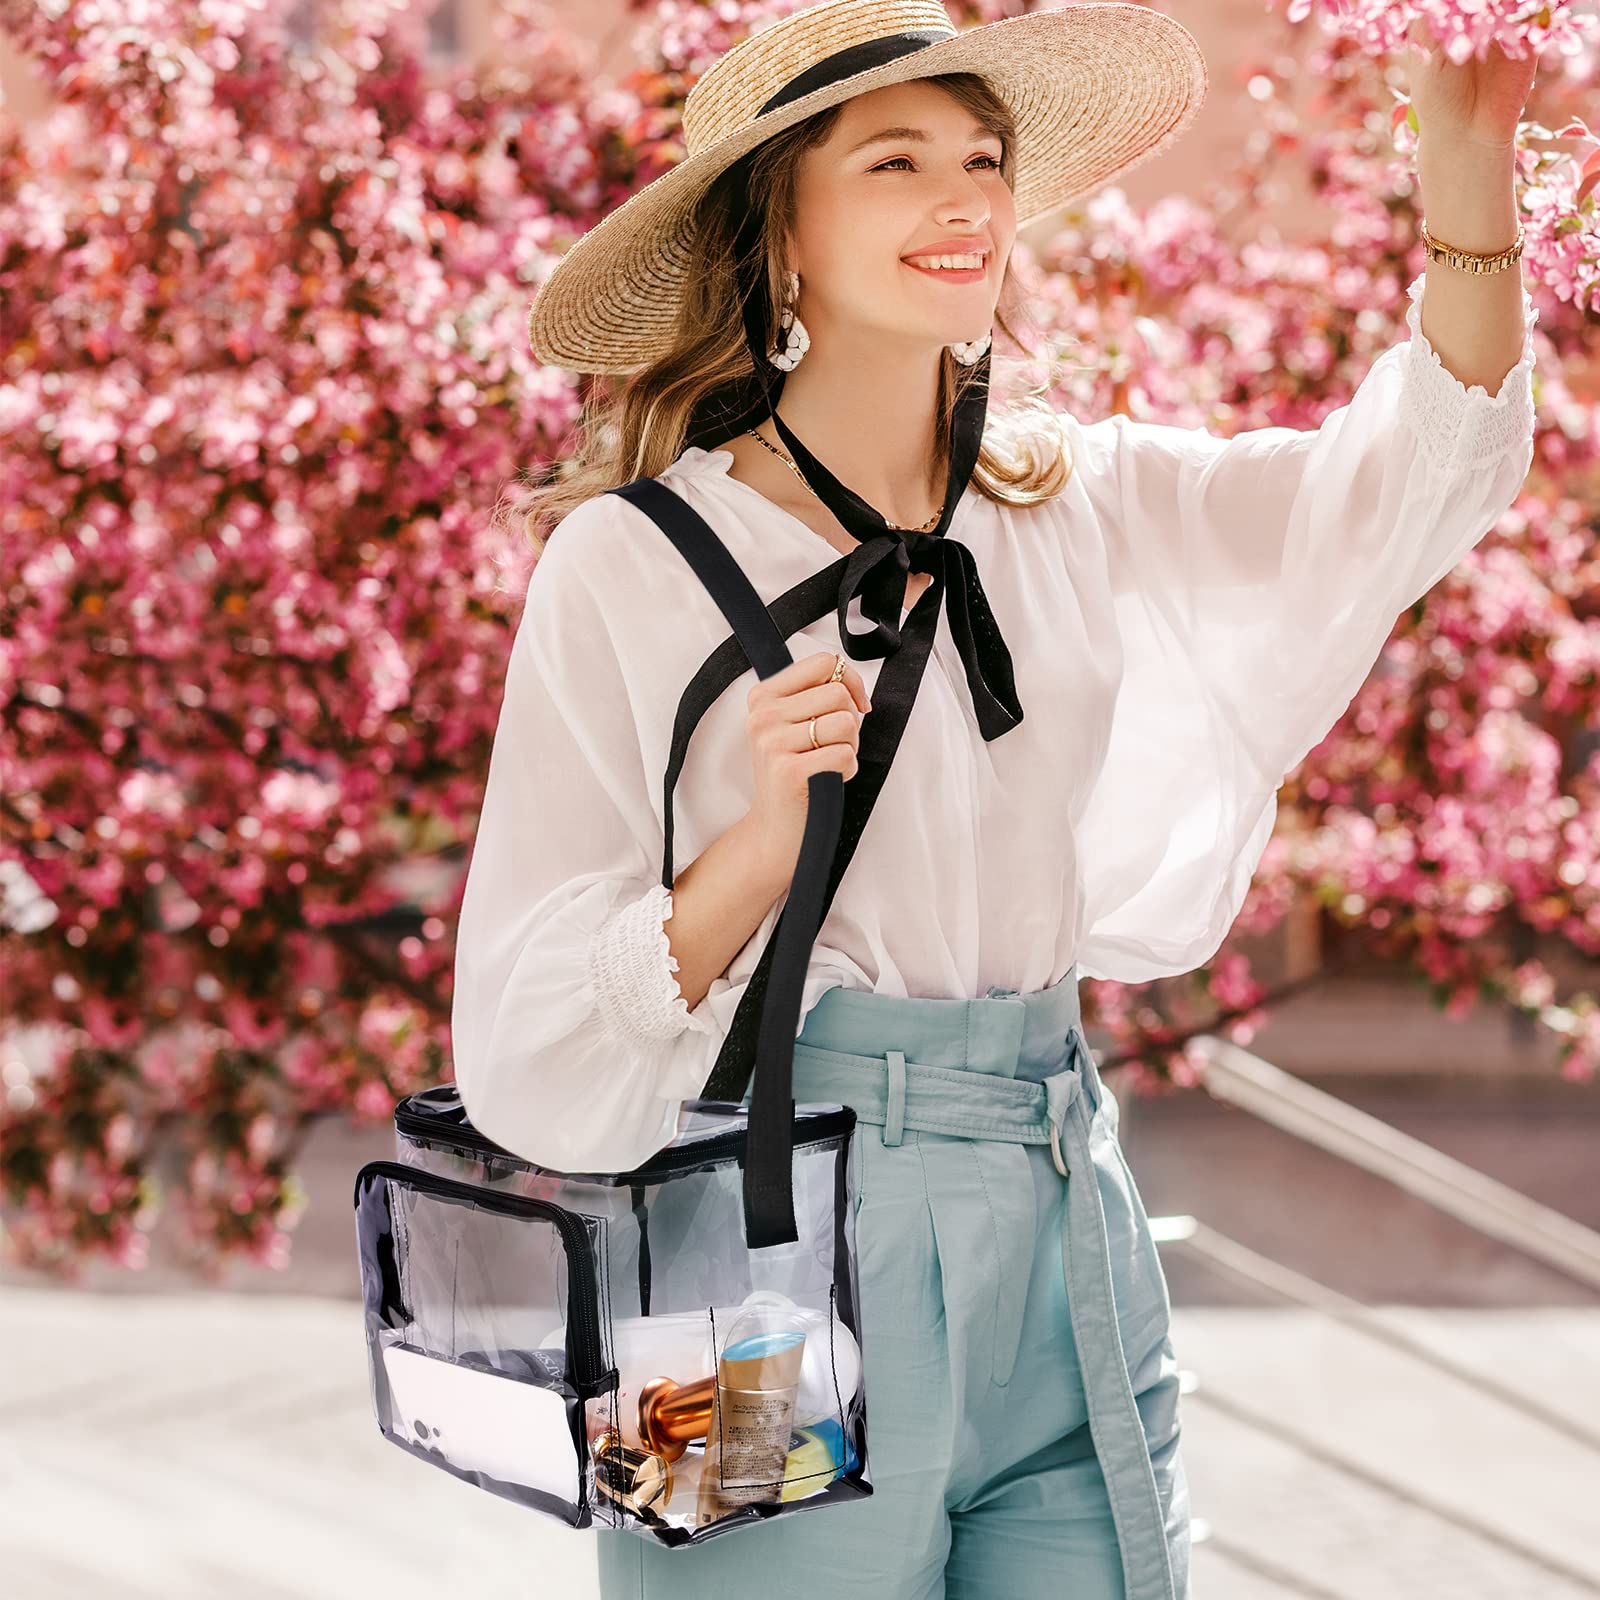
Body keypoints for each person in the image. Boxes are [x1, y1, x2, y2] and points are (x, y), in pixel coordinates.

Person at [449, 0, 1540, 1594]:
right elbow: (525, 1035)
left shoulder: (1069, 498)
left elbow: (1406, 490)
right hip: (740, 1242)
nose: (964, 197)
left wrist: (1469, 154)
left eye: (985, 159)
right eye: (895, 162)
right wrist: (755, 853)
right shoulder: (631, 564)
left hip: (1055, 1198)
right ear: (783, 239)